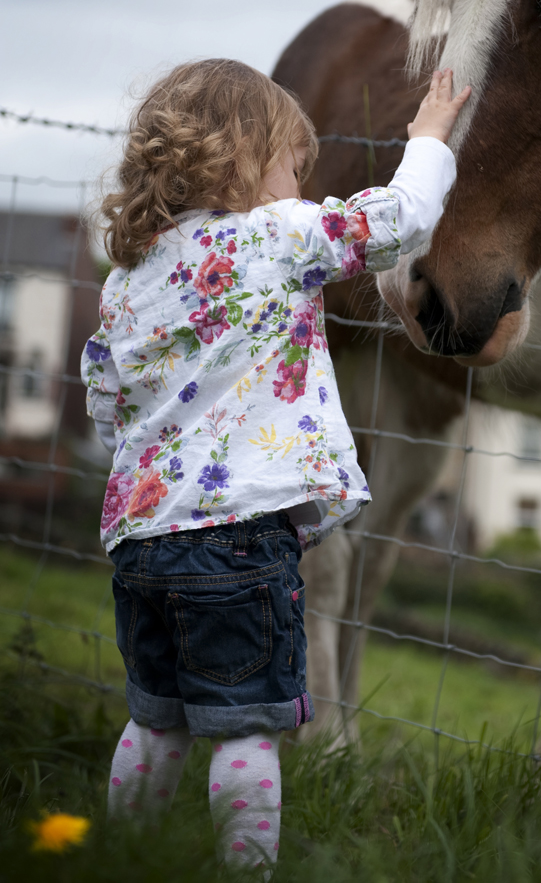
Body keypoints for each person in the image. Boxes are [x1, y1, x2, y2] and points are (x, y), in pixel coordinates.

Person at [82, 58, 470, 871]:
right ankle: (249, 867)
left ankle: (121, 855)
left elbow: (105, 399)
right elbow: (395, 221)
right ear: (241, 162)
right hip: (239, 543)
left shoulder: (128, 277)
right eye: (294, 167)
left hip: (142, 543)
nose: (301, 187)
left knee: (155, 720)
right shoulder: (275, 236)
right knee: (246, 731)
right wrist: (431, 137)